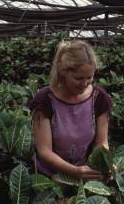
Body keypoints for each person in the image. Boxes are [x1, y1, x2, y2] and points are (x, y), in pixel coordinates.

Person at [28, 40, 112, 180]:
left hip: (85, 175)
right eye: (78, 78)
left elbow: (102, 142)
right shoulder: (44, 100)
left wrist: (106, 164)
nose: (84, 84)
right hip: (48, 178)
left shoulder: (99, 99)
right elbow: (44, 151)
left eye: (89, 77)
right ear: (63, 72)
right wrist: (74, 171)